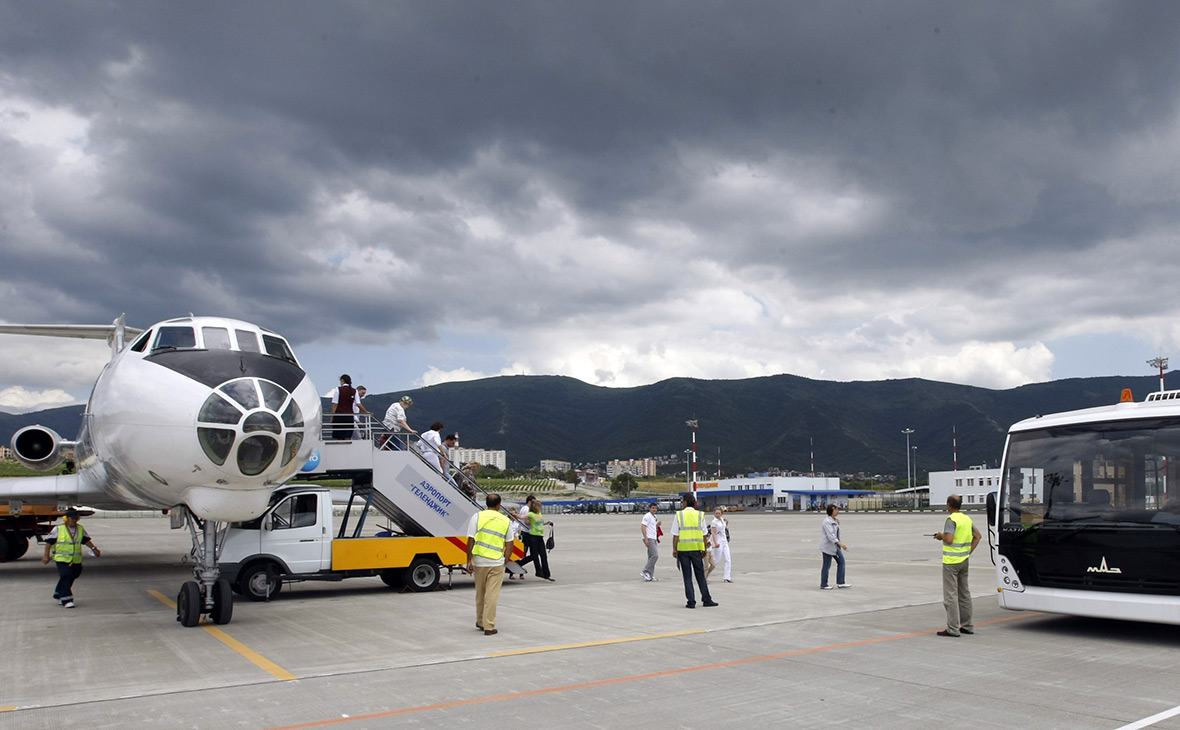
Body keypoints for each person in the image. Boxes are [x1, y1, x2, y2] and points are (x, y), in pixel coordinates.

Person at [933, 494, 981, 637]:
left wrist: (940, 536)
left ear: (949, 504)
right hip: (964, 561)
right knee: (964, 593)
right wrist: (968, 551)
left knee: (950, 596)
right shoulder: (967, 519)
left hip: (951, 562)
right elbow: (978, 536)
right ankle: (967, 626)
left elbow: (949, 539)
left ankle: (952, 628)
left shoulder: (951, 519)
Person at [465, 493, 513, 635]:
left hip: (479, 561)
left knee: (480, 593)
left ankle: (480, 621)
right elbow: (509, 543)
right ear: (499, 505)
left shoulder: (477, 517)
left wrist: (469, 560)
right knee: (491, 595)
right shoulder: (505, 520)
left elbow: (470, 540)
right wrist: (506, 559)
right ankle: (489, 626)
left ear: (486, 503)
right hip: (496, 561)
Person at [42, 507, 101, 608]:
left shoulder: (80, 529)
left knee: (73, 575)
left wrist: (94, 548)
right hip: (61, 558)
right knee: (66, 575)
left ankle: (59, 593)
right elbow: (49, 542)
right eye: (72, 518)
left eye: (76, 518)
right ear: (66, 518)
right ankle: (66, 599)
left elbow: (85, 540)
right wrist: (46, 556)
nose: (74, 520)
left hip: (76, 559)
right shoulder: (58, 529)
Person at [672, 493, 717, 609]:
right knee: (700, 575)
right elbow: (704, 534)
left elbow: (676, 535)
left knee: (687, 577)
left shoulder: (679, 515)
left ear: (685, 502)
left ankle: (691, 601)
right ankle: (707, 599)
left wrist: (674, 549)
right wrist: (704, 549)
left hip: (683, 550)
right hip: (697, 549)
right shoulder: (700, 515)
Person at [517, 499, 554, 581]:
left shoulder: (539, 514)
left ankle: (546, 574)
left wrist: (546, 523)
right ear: (535, 507)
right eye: (539, 506)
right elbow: (521, 517)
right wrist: (514, 514)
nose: (540, 507)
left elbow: (539, 523)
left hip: (540, 537)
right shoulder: (531, 514)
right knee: (534, 556)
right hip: (533, 537)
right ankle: (536, 571)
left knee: (543, 556)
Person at [819, 504, 850, 589]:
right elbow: (831, 535)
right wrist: (840, 544)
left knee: (841, 562)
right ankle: (824, 584)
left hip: (835, 546)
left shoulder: (835, 520)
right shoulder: (826, 522)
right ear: (831, 511)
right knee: (826, 565)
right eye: (836, 510)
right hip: (827, 547)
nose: (837, 511)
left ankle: (841, 582)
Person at [329, 375, 357, 440]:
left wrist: (332, 417)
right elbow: (357, 403)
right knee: (348, 436)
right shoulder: (354, 391)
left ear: (342, 381)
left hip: (339, 416)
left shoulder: (338, 390)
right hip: (349, 416)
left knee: (339, 436)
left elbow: (335, 405)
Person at [640, 502, 661, 581]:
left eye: (655, 508)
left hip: (653, 537)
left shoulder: (654, 516)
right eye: (653, 508)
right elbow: (643, 527)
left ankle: (650, 575)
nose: (654, 509)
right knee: (655, 555)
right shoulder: (647, 516)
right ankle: (645, 571)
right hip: (649, 538)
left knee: (651, 556)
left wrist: (657, 526)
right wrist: (646, 538)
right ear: (650, 508)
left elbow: (651, 527)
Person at [710, 507, 732, 583]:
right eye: (716, 513)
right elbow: (713, 533)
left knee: (728, 559)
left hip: (724, 541)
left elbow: (724, 528)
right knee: (717, 560)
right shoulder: (714, 522)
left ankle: (727, 577)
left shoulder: (722, 519)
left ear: (722, 513)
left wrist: (726, 522)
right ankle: (705, 572)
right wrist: (716, 542)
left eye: (719, 513)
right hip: (719, 541)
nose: (718, 515)